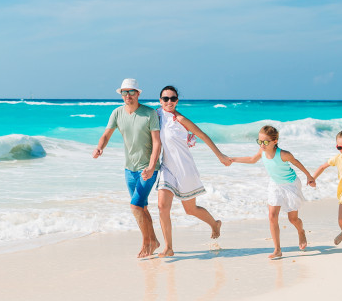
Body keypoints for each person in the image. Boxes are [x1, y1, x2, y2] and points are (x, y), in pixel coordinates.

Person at [155, 86, 232, 257]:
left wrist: (220, 155)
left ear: (177, 101)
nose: (169, 101)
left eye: (173, 98)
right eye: (165, 98)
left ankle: (214, 224)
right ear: (160, 101)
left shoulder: (181, 119)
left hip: (185, 169)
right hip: (167, 168)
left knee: (190, 209)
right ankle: (168, 247)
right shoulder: (156, 115)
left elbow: (203, 135)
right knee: (162, 206)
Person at [93, 78, 162, 258]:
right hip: (129, 169)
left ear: (138, 94)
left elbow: (157, 142)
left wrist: (151, 166)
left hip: (148, 168)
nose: (128, 95)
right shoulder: (117, 113)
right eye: (124, 92)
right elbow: (106, 135)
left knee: (135, 206)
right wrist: (100, 147)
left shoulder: (149, 114)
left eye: (131, 92)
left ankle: (146, 243)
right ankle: (154, 241)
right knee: (142, 207)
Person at [230, 125, 316, 260]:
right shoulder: (262, 151)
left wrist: (309, 176)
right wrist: (233, 159)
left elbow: (297, 163)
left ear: (275, 141)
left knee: (293, 219)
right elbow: (252, 159)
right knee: (272, 216)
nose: (262, 145)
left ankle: (301, 232)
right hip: (275, 185)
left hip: (290, 185)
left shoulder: (283, 154)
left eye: (265, 142)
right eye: (259, 141)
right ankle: (277, 250)